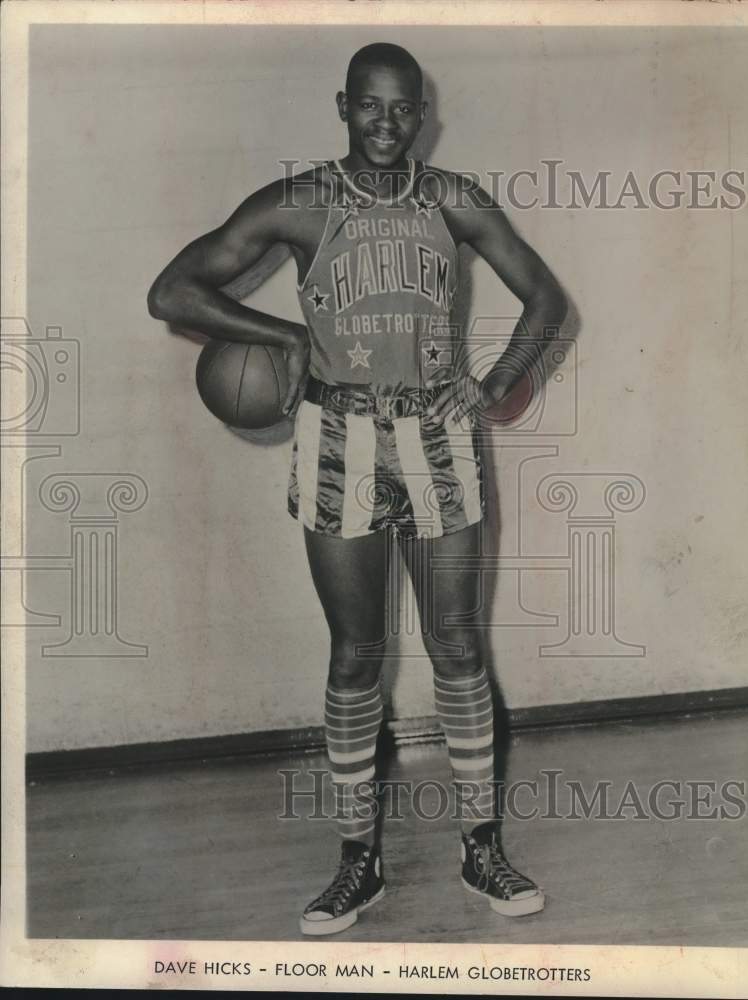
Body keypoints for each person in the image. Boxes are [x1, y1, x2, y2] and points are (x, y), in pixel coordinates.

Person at [148, 41, 567, 936]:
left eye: (402, 108)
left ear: (423, 115)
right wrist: (281, 336)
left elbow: (544, 298)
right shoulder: (300, 204)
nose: (386, 122)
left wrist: (496, 383)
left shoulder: (452, 199)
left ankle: (482, 846)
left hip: (440, 436)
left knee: (456, 645)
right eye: (369, 106)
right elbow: (172, 291)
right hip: (336, 434)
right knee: (355, 653)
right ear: (343, 108)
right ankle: (357, 860)